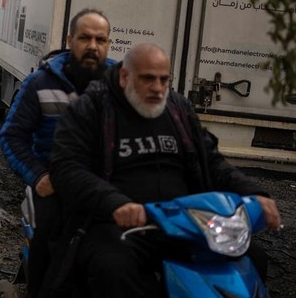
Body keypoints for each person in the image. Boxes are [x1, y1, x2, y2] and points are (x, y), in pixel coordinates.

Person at [43, 43, 282, 298]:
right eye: (148, 79)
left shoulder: (178, 109)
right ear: (125, 76)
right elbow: (66, 167)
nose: (157, 88)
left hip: (187, 222)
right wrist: (114, 203)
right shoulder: (91, 108)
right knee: (114, 267)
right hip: (116, 225)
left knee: (251, 258)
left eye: (163, 80)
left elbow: (211, 160)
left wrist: (255, 194)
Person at [0, 9, 115, 298]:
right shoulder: (40, 83)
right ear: (70, 40)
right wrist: (38, 176)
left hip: (105, 185)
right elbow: (12, 135)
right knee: (49, 247)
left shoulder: (121, 83)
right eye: (84, 38)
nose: (92, 46)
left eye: (100, 40)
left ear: (108, 44)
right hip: (56, 184)